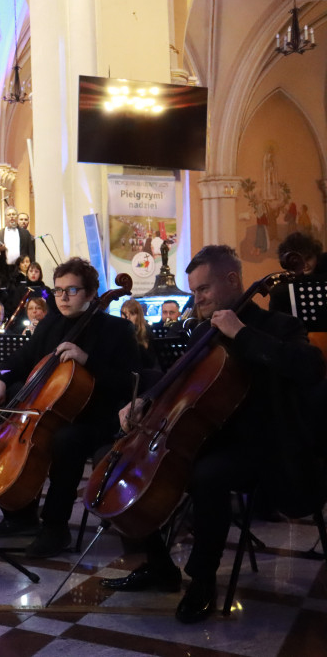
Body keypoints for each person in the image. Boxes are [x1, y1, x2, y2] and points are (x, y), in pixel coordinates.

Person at [103, 245, 326, 624]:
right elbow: (181, 388)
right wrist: (144, 402)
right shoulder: (202, 333)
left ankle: (202, 579)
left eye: (203, 289)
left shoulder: (278, 325)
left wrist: (242, 334)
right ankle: (159, 566)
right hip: (209, 437)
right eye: (194, 291)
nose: (197, 298)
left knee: (208, 475)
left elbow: (310, 367)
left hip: (266, 444)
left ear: (232, 280)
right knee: (123, 464)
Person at [0, 257, 140, 558]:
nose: (63, 298)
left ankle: (56, 528)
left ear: (92, 293)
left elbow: (130, 382)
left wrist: (87, 360)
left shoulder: (117, 330)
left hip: (97, 418)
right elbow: (19, 361)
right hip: (51, 412)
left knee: (65, 441)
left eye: (72, 291)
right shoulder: (51, 324)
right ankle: (19, 515)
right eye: (57, 291)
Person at [120, 298, 157, 369]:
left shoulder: (146, 331)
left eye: (132, 314)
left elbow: (150, 361)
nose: (128, 318)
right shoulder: (119, 332)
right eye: (124, 314)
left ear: (138, 315)